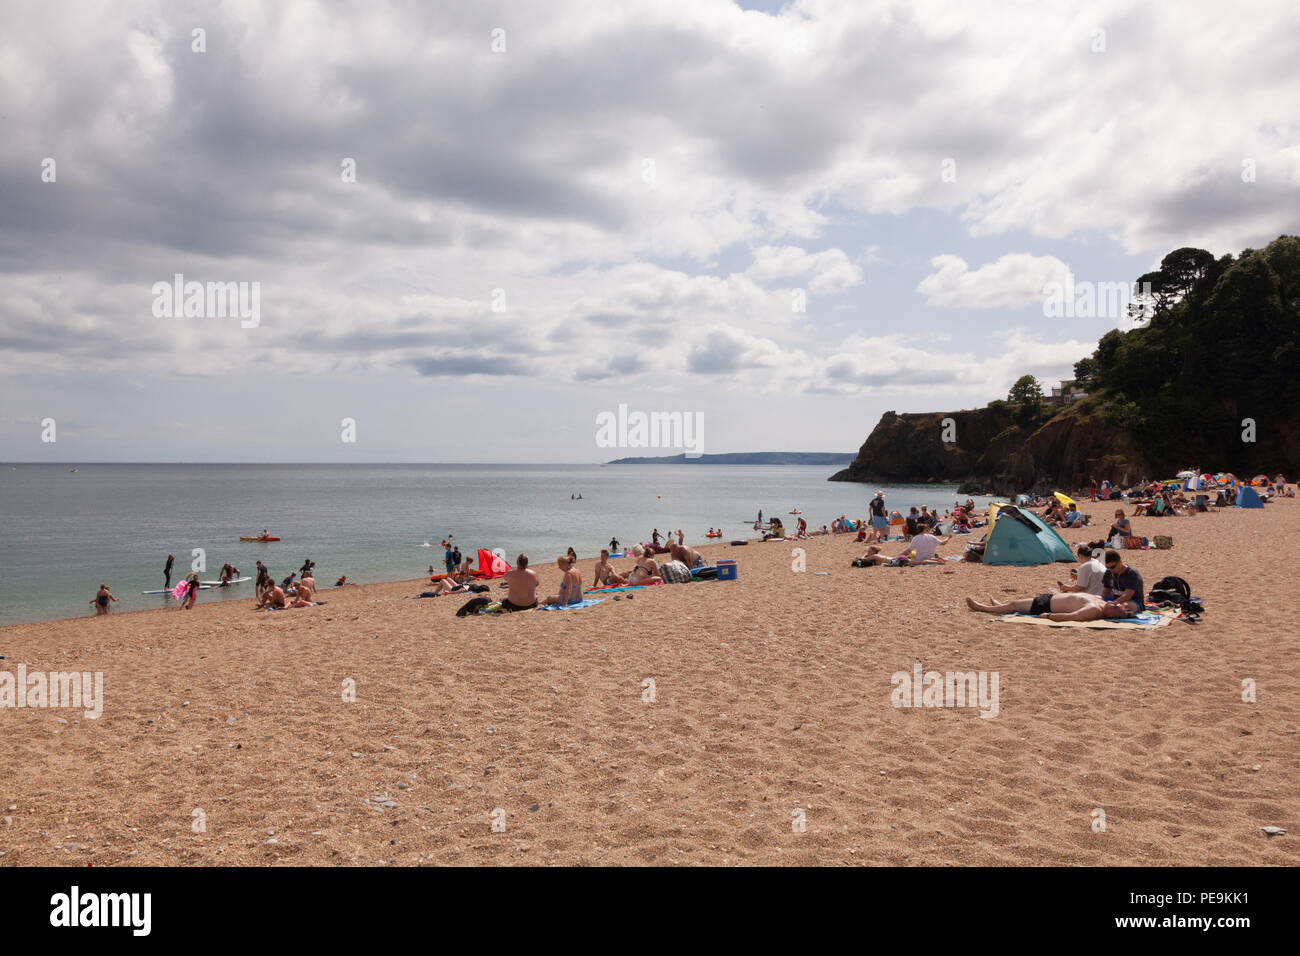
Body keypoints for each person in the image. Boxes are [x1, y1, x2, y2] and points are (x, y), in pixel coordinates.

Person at [965, 591, 1133, 622]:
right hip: (1051, 598)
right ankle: (1000, 606)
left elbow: (1071, 617)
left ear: (1111, 615)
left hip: (1046, 606)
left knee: (1015, 604)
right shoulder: (1102, 602)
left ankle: (983, 608)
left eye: (1117, 608)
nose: (1116, 604)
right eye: (1119, 605)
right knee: (1016, 604)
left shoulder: (1094, 610)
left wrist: (1049, 616)